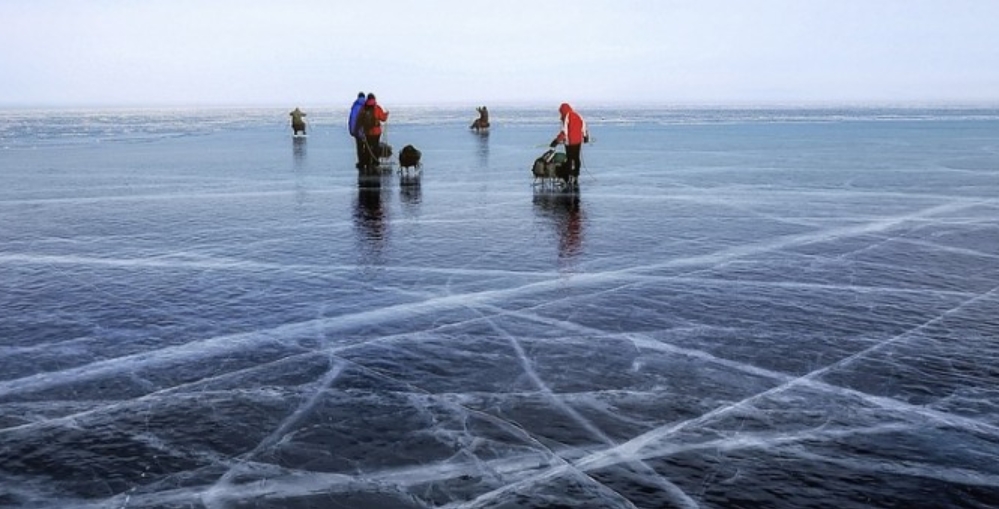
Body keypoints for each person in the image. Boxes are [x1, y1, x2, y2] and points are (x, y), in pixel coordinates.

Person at [549, 103, 589, 185]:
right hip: (578, 142)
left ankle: (567, 177)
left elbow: (564, 132)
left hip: (570, 142)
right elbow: (584, 127)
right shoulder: (578, 115)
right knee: (576, 158)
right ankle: (575, 175)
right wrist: (585, 137)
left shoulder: (567, 117)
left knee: (569, 159)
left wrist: (556, 141)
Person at [355, 93, 389, 171]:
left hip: (367, 132)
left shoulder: (364, 108)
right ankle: (375, 162)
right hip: (376, 132)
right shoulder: (377, 108)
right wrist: (386, 114)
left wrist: (358, 130)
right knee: (375, 146)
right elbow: (383, 118)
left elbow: (359, 120)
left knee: (367, 147)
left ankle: (367, 162)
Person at [348, 92, 367, 169]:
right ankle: (368, 161)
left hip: (358, 130)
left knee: (359, 147)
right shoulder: (367, 106)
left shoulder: (355, 107)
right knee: (368, 147)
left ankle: (361, 162)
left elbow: (352, 119)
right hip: (367, 131)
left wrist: (352, 131)